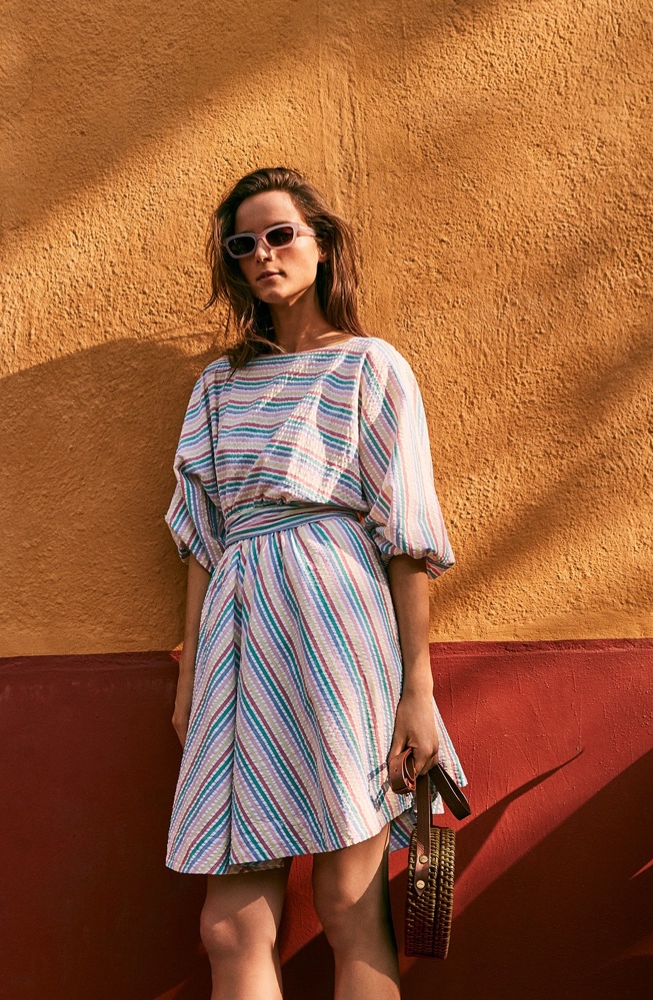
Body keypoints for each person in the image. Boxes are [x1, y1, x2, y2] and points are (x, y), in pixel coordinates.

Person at [164, 166, 468, 1000]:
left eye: (281, 235)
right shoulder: (217, 389)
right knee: (230, 926)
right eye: (243, 244)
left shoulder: (371, 368)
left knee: (345, 899)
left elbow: (407, 541)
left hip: (339, 632)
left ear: (322, 245)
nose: (263, 255)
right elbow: (201, 538)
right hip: (235, 645)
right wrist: (192, 674)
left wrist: (419, 690)